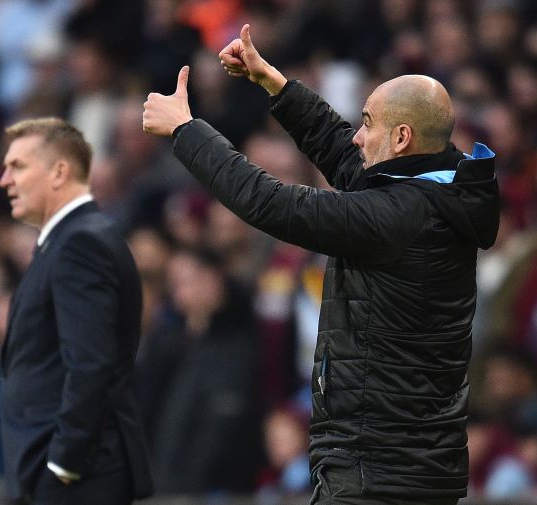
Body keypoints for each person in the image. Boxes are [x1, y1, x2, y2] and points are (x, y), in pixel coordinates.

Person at [143, 24, 500, 505]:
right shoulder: (437, 192)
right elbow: (341, 154)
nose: (357, 137)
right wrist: (275, 84)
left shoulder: (397, 217)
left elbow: (270, 203)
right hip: (411, 467)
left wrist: (186, 130)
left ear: (401, 137)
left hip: (375, 473)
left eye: (367, 123)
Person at [0, 118, 152, 504]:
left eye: (17, 166)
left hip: (78, 476)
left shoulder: (80, 243)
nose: (4, 180)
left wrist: (64, 462)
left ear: (59, 172)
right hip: (63, 472)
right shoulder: (69, 240)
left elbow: (90, 362)